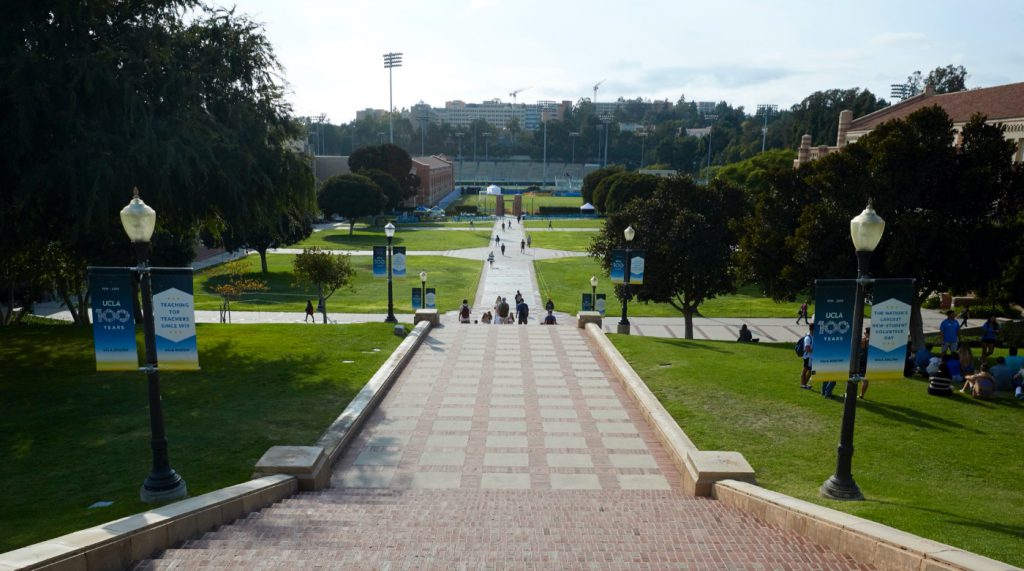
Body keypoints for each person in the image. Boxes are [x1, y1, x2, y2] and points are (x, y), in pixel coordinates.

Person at [799, 324, 814, 390]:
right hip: (807, 357)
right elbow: (807, 349)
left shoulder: (812, 336)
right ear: (812, 329)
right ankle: (803, 384)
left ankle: (804, 383)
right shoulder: (808, 338)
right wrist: (815, 350)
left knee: (810, 370)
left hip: (811, 356)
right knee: (805, 370)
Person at [858, 328, 870, 399]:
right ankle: (862, 394)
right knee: (865, 379)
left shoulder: (863, 340)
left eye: (865, 332)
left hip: (861, 361)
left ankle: (848, 393)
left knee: (852, 376)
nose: (864, 334)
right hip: (868, 362)